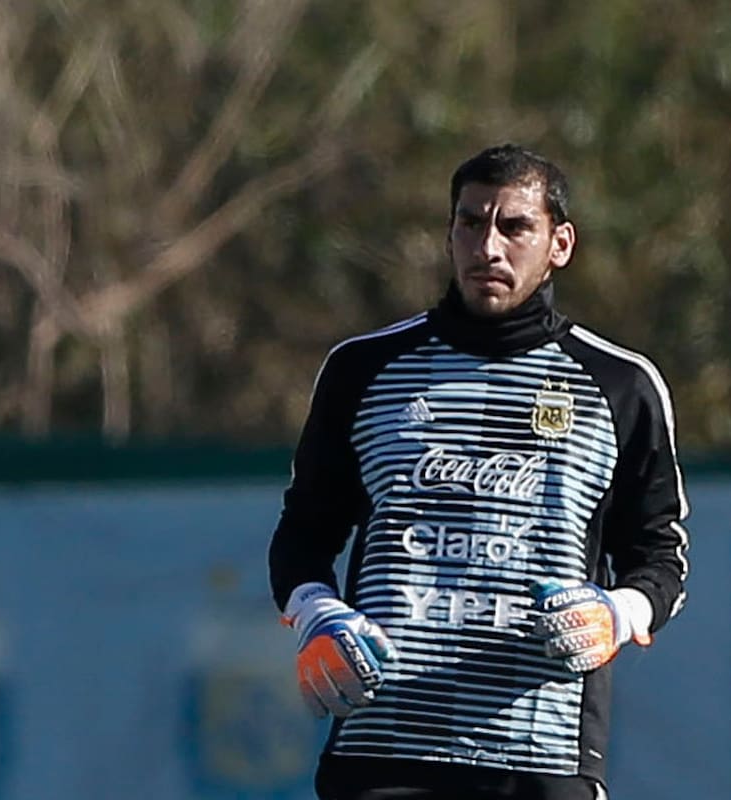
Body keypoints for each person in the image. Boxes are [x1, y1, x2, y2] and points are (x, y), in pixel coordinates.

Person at [268, 143, 690, 800]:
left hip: (541, 755)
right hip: (385, 746)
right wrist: (317, 610)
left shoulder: (620, 386)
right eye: (470, 223)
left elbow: (661, 557)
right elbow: (302, 532)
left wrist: (619, 610)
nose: (487, 247)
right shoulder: (363, 370)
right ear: (449, 234)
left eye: (514, 226)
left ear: (560, 244)